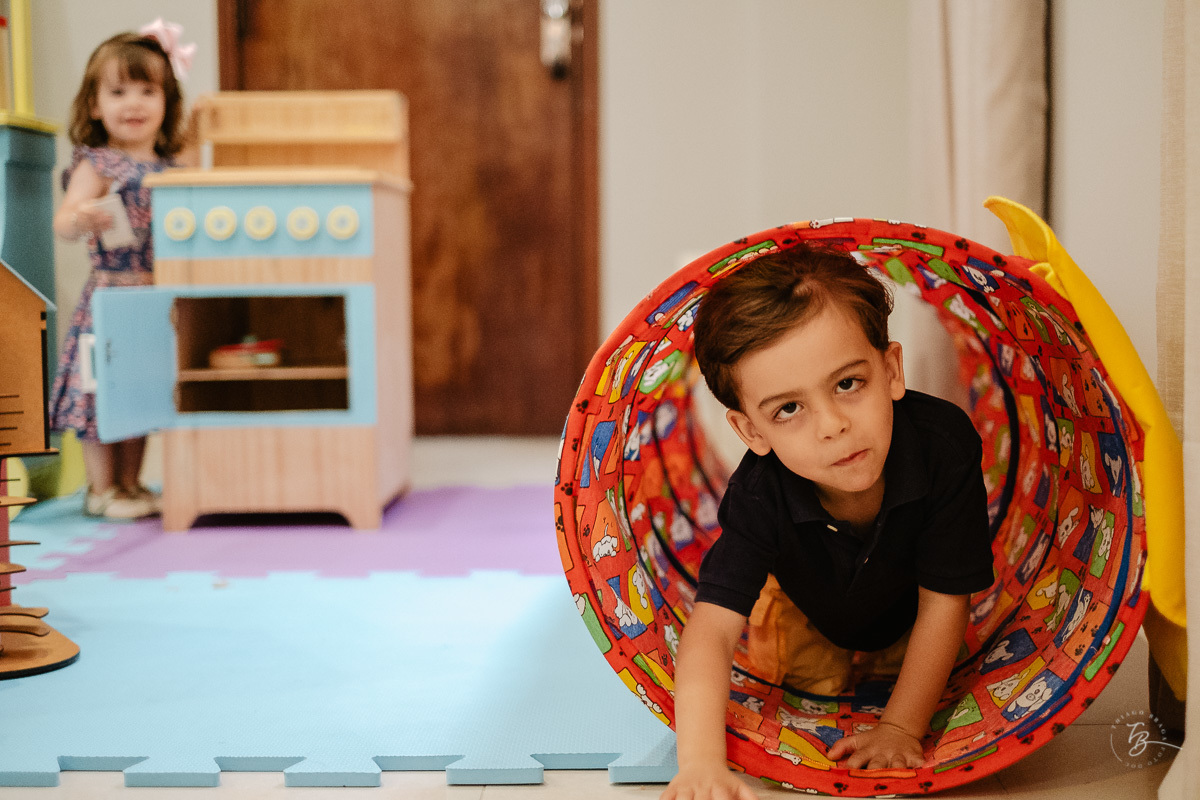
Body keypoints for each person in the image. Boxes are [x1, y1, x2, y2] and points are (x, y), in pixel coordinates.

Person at [661, 245, 995, 800]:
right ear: (752, 433)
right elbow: (713, 630)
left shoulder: (943, 446)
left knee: (942, 665)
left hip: (909, 606)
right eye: (788, 410)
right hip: (804, 610)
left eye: (847, 384)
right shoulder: (759, 492)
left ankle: (883, 662)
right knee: (793, 667)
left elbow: (944, 599)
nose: (833, 426)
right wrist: (699, 762)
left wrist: (898, 729)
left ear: (891, 370)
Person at [48, 29, 197, 519]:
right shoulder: (100, 163)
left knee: (142, 390)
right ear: (94, 105)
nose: (133, 103)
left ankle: (131, 484)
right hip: (109, 297)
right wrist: (81, 217)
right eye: (117, 92)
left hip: (154, 297)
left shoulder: (171, 167)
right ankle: (101, 489)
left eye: (147, 91)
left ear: (166, 101)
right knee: (101, 391)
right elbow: (64, 220)